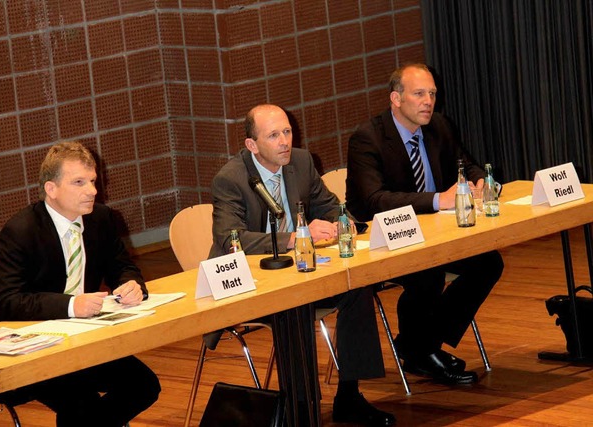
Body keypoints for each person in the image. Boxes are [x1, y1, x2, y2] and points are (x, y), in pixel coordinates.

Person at [210, 104, 396, 426]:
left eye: (287, 132)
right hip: (252, 286)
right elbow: (230, 238)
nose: (284, 141)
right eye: (273, 135)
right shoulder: (231, 179)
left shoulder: (301, 161)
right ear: (251, 145)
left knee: (356, 289)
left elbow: (329, 204)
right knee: (293, 309)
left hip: (301, 274)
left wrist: (345, 223)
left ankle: (349, 397)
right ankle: (301, 410)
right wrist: (295, 239)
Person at [346, 63, 504, 385]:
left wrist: (480, 182)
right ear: (396, 98)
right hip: (389, 240)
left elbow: (466, 163)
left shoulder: (438, 127)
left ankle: (418, 346)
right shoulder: (368, 138)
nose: (428, 101)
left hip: (437, 234)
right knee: (427, 275)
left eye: (432, 94)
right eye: (419, 94)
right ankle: (423, 351)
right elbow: (374, 201)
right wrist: (436, 200)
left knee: (489, 263)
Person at [0, 141, 161, 427]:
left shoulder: (102, 219)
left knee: (143, 385)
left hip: (82, 340)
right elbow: (9, 301)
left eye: (93, 181)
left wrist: (130, 284)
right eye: (79, 182)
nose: (93, 191)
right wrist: (71, 305)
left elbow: (122, 266)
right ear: (51, 189)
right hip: (31, 347)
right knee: (81, 405)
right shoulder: (19, 231)